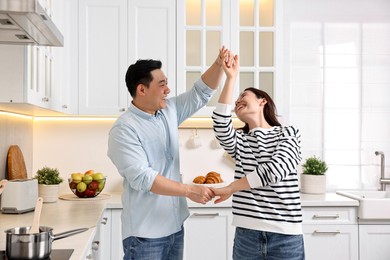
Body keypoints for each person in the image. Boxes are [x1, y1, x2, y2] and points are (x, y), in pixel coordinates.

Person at [107, 46, 233, 260]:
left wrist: (219, 64)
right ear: (142, 89)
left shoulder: (168, 110)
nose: (168, 90)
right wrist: (189, 190)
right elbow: (144, 178)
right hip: (145, 235)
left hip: (175, 227)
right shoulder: (124, 129)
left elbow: (200, 93)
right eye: (162, 84)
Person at [211, 53, 305, 259]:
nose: (237, 101)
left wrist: (231, 188)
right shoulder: (240, 141)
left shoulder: (288, 133)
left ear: (262, 101)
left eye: (243, 95)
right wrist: (231, 78)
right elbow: (220, 124)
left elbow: (274, 171)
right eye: (236, 101)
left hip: (285, 236)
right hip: (247, 235)